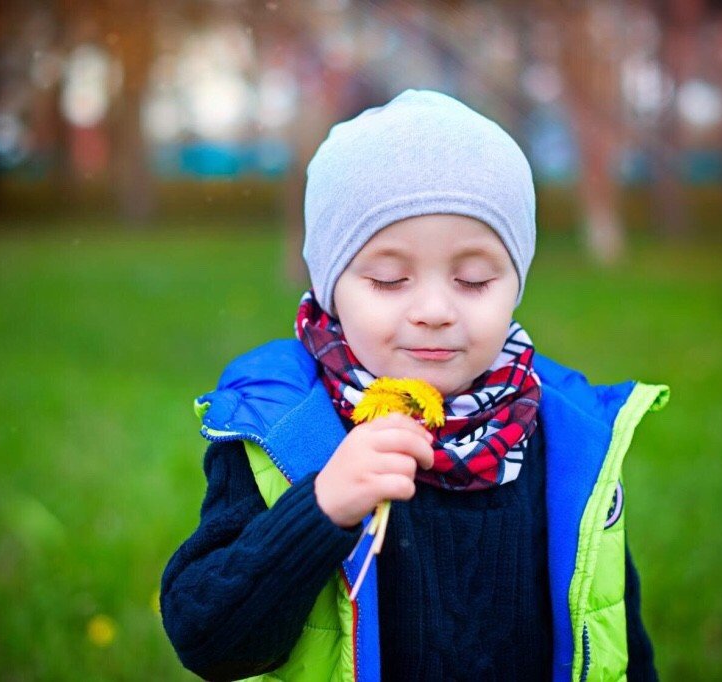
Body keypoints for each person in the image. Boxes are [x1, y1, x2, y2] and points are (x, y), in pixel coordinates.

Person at [160, 89, 668, 681]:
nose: (434, 309)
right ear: (332, 286)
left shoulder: (571, 438)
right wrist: (321, 507)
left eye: (474, 280)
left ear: (516, 282)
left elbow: (616, 636)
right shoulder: (281, 429)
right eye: (389, 278)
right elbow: (207, 639)